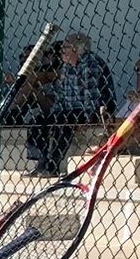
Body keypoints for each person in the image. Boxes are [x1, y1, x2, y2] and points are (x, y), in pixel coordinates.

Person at [31, 33, 114, 175]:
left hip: (93, 109)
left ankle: (52, 166)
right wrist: (54, 113)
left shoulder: (90, 63)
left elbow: (92, 96)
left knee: (64, 121)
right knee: (38, 121)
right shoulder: (67, 66)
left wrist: (87, 118)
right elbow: (61, 96)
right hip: (71, 110)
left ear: (76, 49)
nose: (61, 50)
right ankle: (42, 162)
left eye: (65, 47)